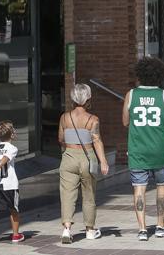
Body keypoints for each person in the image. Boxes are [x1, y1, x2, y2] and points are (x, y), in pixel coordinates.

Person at [122, 57, 164, 241]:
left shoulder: (131, 95)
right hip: (159, 151)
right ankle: (160, 226)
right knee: (161, 186)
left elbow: (125, 122)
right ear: (159, 75)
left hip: (137, 150)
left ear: (140, 75)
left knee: (139, 189)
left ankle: (142, 230)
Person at [58, 84, 109, 244]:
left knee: (67, 195)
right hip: (87, 157)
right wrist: (103, 162)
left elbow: (61, 139)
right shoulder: (93, 119)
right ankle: (90, 230)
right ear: (88, 99)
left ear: (72, 98)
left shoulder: (64, 118)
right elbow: (97, 140)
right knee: (89, 195)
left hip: (69, 157)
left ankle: (66, 229)